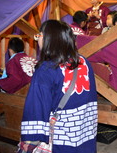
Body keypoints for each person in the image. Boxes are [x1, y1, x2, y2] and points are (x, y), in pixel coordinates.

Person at [18, 20, 98, 153]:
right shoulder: (83, 61)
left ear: (49, 39)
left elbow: (37, 107)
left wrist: (30, 141)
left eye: (39, 35)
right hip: (86, 131)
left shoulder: (47, 69)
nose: (38, 40)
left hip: (62, 138)